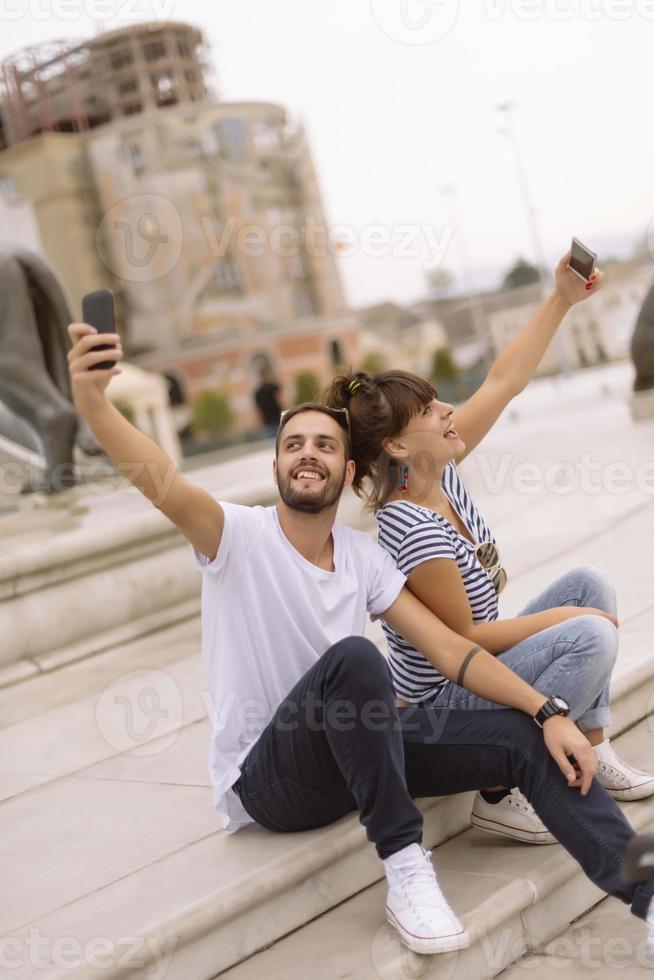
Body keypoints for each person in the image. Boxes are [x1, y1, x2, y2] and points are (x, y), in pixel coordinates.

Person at [65, 321, 654, 958]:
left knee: (521, 735)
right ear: (277, 466)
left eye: (323, 443)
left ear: (348, 469)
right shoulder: (235, 537)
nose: (307, 453)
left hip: (358, 752)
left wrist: (548, 711)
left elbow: (453, 649)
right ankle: (407, 870)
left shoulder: (365, 557)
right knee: (353, 659)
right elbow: (156, 476)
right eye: (294, 444)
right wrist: (94, 401)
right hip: (273, 780)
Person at [322, 251, 654, 849]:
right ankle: (499, 791)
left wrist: (560, 298)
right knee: (592, 632)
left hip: (476, 672)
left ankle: (594, 748)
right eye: (430, 410)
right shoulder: (410, 527)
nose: (448, 409)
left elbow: (504, 380)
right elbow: (465, 643)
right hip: (446, 707)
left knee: (589, 583)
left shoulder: (438, 471)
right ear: (397, 445)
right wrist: (566, 621)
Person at [254, 366, 283, 439]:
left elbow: (258, 409)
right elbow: (281, 400)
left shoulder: (258, 392)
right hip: (277, 418)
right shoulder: (274, 387)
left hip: (268, 421)